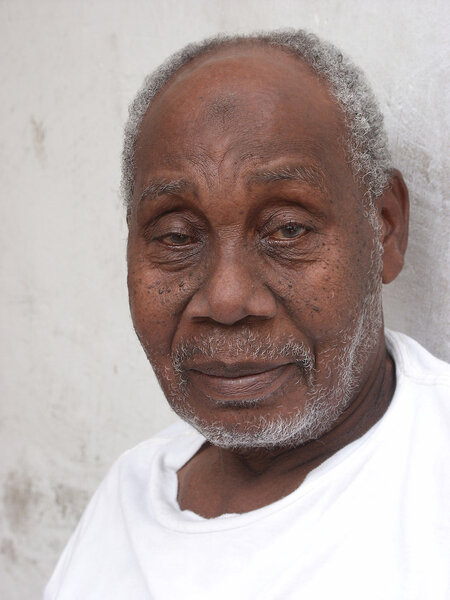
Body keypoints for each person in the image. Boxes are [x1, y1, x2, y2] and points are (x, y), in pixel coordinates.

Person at [44, 30, 449, 599]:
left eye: (287, 230)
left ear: (384, 227)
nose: (227, 300)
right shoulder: (128, 496)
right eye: (177, 236)